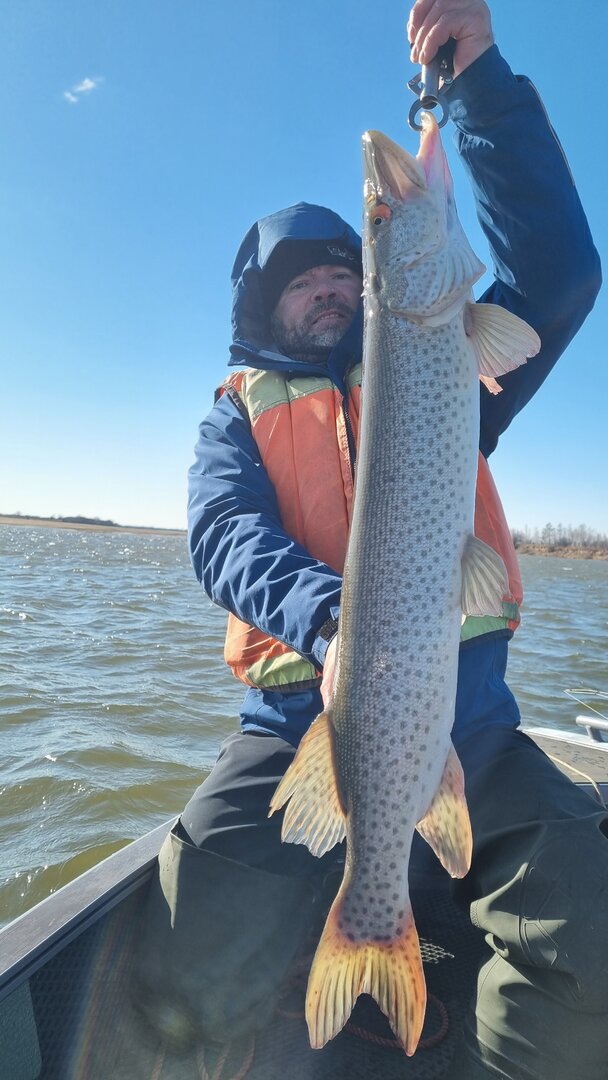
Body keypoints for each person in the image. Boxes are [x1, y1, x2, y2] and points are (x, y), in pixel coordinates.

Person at [135, 2, 605, 1077]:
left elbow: (560, 271)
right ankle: (332, 966)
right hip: (293, 728)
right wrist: (330, 620)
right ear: (264, 307)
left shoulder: (448, 365)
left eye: (348, 272)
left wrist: (478, 91)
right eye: (304, 282)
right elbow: (223, 536)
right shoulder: (237, 416)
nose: (332, 290)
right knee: (190, 919)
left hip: (468, 724)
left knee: (583, 924)